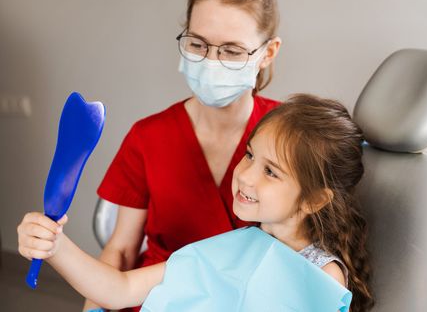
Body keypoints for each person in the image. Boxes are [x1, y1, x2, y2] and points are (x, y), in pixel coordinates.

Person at [17, 94, 374, 312]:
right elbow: (120, 289)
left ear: (314, 200)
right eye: (250, 155)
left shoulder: (320, 275)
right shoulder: (233, 247)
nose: (245, 175)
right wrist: (55, 246)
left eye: (271, 172)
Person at [82, 0, 280, 311]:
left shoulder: (290, 135)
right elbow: (122, 250)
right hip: (157, 297)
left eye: (232, 51)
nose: (211, 62)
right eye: (198, 44)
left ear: (268, 53)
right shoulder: (148, 136)